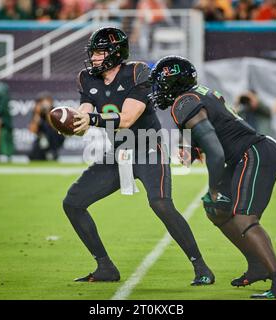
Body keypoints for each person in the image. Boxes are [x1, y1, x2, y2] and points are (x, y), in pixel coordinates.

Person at [62, 27, 214, 285]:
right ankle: (105, 267)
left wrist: (90, 119)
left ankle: (201, 267)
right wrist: (71, 123)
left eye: (100, 52)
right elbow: (84, 116)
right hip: (118, 154)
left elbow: (128, 118)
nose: (95, 58)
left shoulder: (136, 72)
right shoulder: (87, 78)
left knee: (161, 204)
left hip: (148, 148)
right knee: (73, 203)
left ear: (115, 53)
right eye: (94, 52)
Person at [148, 55, 276, 299]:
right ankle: (258, 265)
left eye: (160, 84)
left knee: (243, 219)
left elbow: (216, 152)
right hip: (244, 155)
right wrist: (190, 151)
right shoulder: (192, 96)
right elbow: (204, 134)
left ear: (173, 83)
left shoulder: (184, 101)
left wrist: (214, 187)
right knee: (217, 210)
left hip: (254, 154)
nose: (157, 90)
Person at [28, 92, 64, 160]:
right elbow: (33, 130)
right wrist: (37, 114)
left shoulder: (55, 111)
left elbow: (54, 126)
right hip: (42, 137)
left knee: (51, 135)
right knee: (33, 156)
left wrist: (48, 112)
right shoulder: (37, 112)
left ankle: (51, 153)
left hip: (55, 137)